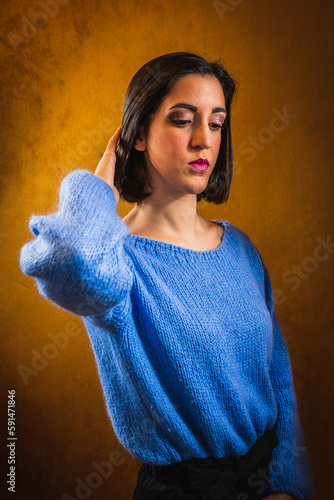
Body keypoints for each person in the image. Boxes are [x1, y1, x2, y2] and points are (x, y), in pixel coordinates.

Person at [20, 52, 313, 500]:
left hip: (267, 483)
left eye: (216, 124)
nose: (204, 140)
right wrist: (99, 189)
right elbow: (64, 262)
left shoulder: (240, 248)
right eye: (182, 120)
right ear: (136, 135)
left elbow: (277, 378)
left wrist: (288, 486)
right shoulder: (114, 259)